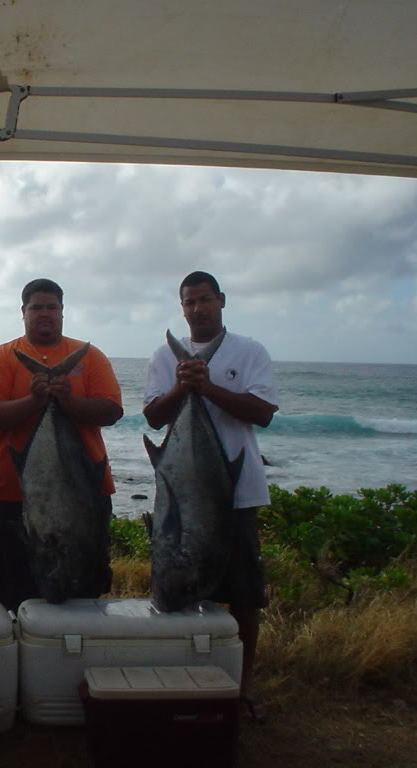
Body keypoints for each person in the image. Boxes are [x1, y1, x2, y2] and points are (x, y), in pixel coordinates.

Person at [142, 270, 279, 722]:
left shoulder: (250, 351)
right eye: (189, 302)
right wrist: (183, 386)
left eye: (204, 299)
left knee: (243, 594)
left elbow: (262, 414)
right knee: (175, 588)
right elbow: (154, 419)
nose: (197, 308)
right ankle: (185, 680)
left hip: (235, 496)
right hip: (179, 497)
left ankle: (241, 688)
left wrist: (208, 388)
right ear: (182, 308)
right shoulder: (165, 356)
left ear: (221, 300)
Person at [0, 278, 123, 611]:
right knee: (5, 591)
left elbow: (112, 410)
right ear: (23, 312)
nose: (44, 314)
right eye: (36, 307)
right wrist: (34, 400)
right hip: (6, 496)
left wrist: (68, 400)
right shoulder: (1, 357)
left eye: (51, 307)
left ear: (62, 312)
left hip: (83, 494)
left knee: (82, 588)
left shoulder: (90, 356)